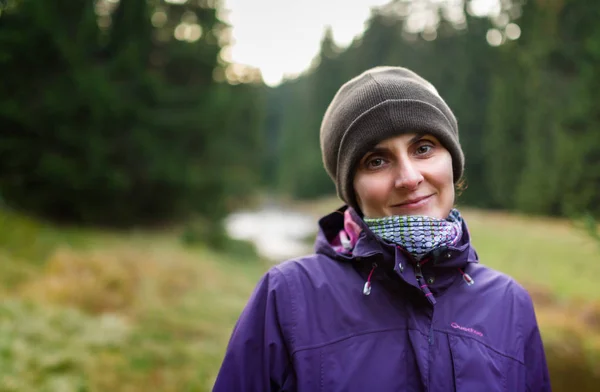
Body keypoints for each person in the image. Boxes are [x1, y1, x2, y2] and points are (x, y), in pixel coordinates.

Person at [213, 66, 551, 391]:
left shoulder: (510, 304)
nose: (409, 178)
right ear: (352, 188)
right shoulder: (286, 297)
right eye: (376, 161)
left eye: (423, 148)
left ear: (452, 159)